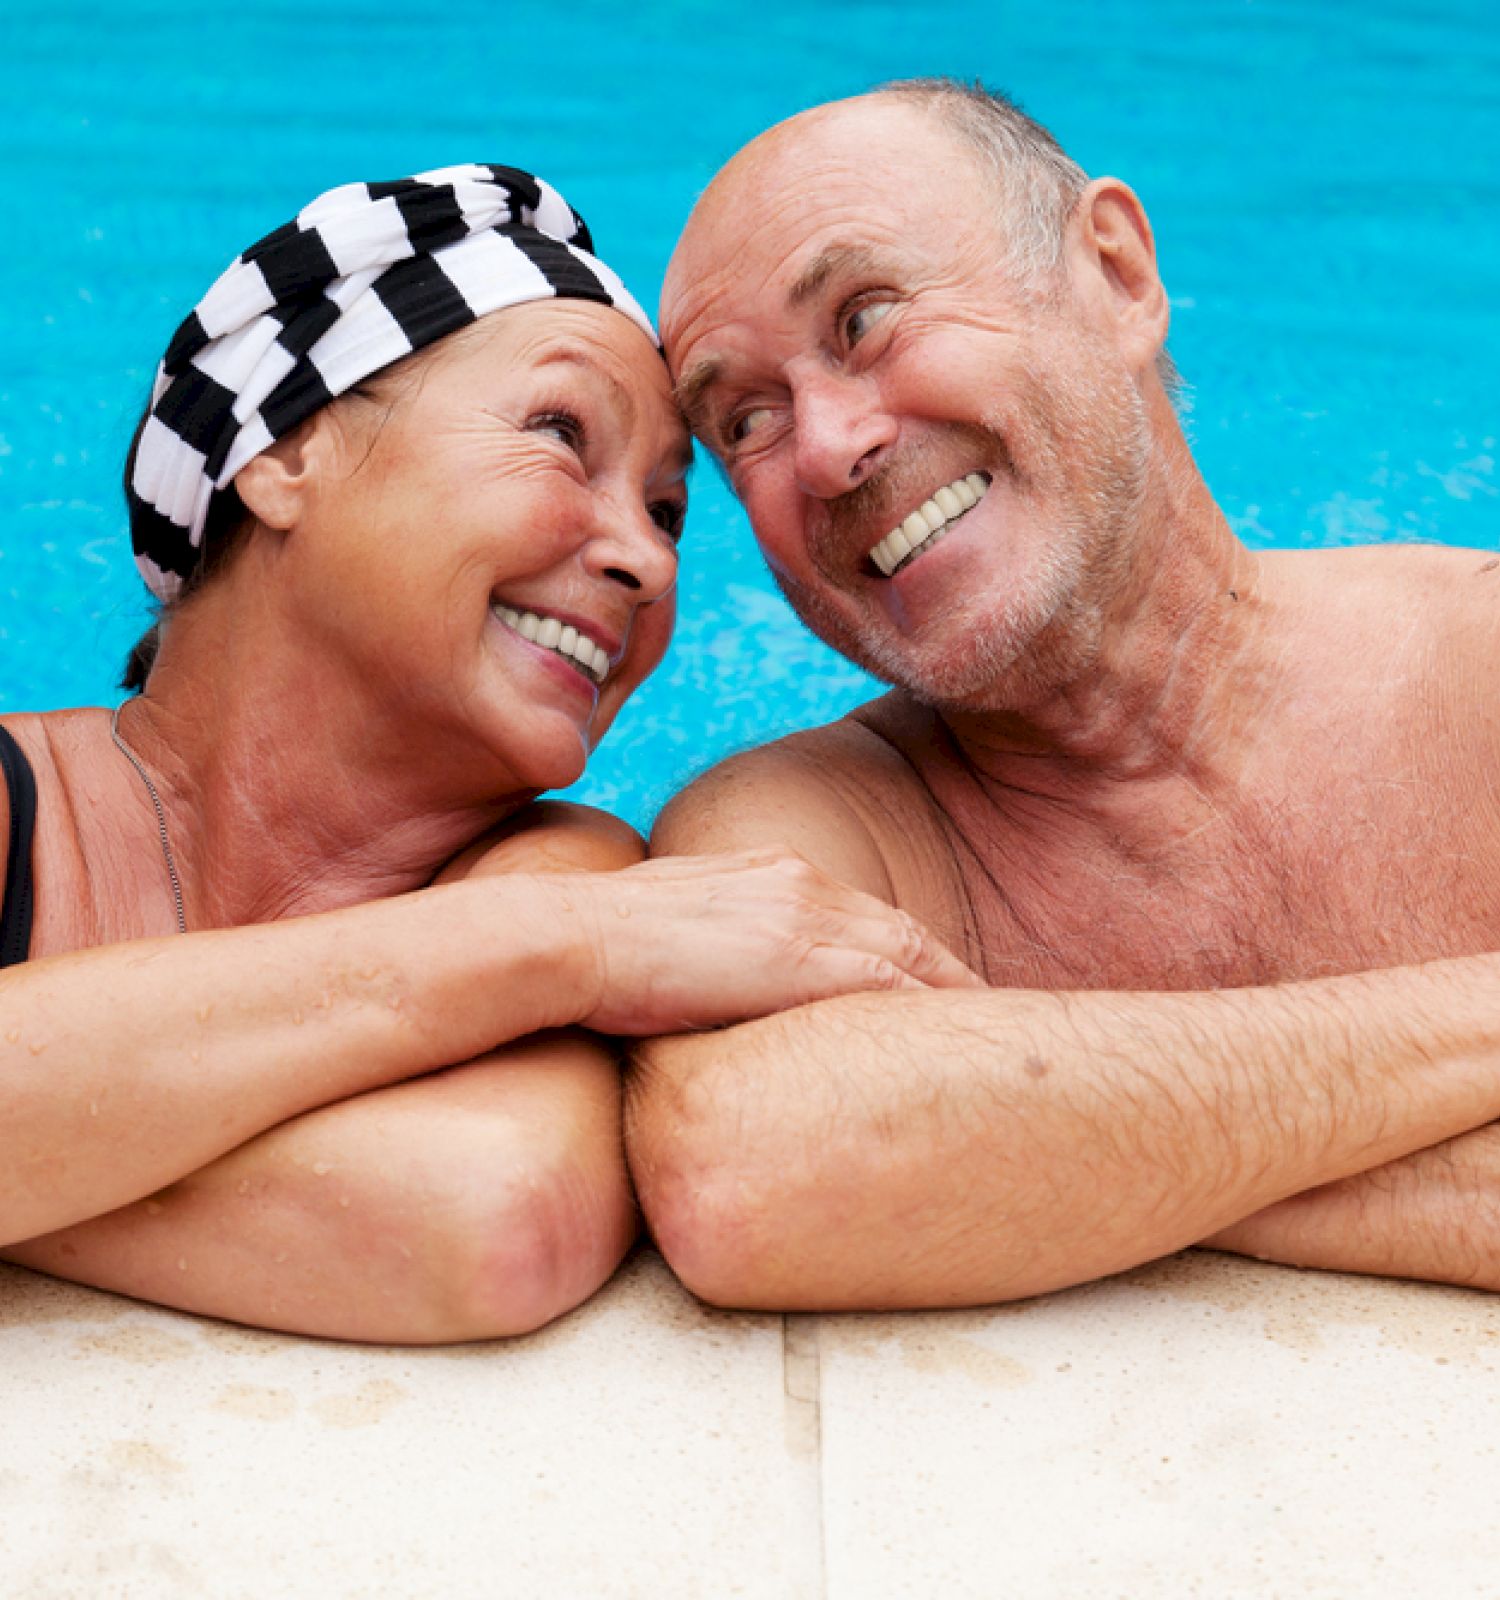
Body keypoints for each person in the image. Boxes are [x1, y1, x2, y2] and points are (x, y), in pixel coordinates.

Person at [0, 163, 975, 1344]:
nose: (648, 562)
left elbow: (487, 1218)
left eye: (667, 511)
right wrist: (565, 950)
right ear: (285, 455)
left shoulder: (559, 868)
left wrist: (55, 1141)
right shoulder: (567, 929)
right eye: (560, 434)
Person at [627, 82, 1500, 1311]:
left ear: (1117, 274)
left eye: (866, 318)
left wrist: (1065, 1160)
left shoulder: (1478, 664)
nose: (825, 448)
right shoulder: (817, 830)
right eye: (746, 420)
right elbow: (753, 1172)